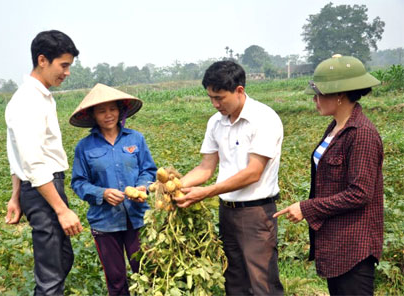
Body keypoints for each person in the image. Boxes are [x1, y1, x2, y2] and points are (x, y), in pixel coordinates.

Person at [274, 54, 383, 296]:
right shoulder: (335, 127)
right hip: (336, 242)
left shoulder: (362, 133)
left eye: (319, 94)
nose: (314, 100)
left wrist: (307, 208)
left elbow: (360, 193)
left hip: (354, 246)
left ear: (340, 94)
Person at [174, 60, 284, 295]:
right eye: (210, 98)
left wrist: (206, 192)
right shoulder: (216, 122)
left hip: (256, 214)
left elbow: (254, 173)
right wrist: (172, 187)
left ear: (239, 90)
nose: (215, 104)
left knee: (262, 282)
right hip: (228, 212)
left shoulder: (264, 119)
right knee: (233, 280)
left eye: (220, 97)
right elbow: (205, 167)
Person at [4, 30, 83, 295]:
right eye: (64, 65)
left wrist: (15, 197)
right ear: (42, 60)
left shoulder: (41, 97)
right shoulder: (28, 101)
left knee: (62, 259)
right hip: (42, 188)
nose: (67, 72)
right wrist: (61, 210)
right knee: (50, 274)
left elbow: (17, 156)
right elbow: (33, 165)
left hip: (42, 187)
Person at [70, 83, 157, 296]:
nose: (108, 115)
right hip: (105, 222)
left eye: (112, 109)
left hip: (139, 218)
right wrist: (103, 193)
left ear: (120, 110)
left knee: (146, 272)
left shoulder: (135, 139)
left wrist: (142, 187)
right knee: (116, 279)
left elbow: (148, 170)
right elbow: (79, 182)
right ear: (93, 115)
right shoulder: (85, 147)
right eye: (101, 111)